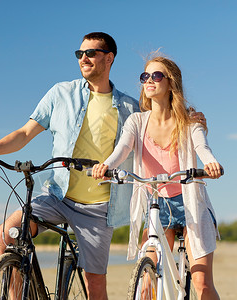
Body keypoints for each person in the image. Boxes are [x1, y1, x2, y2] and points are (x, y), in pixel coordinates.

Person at [0, 32, 139, 300]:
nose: (84, 58)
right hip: (57, 196)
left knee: (95, 283)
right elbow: (25, 133)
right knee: (7, 236)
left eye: (91, 53)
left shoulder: (130, 107)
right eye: (79, 54)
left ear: (109, 58)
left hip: (97, 208)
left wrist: (191, 118)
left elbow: (158, 128)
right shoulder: (61, 93)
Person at [91, 53, 223, 299]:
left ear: (170, 82)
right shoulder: (137, 121)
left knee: (202, 281)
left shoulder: (189, 122)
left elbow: (202, 148)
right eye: (145, 76)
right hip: (156, 204)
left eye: (156, 75)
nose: (149, 80)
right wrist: (105, 166)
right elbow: (122, 149)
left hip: (190, 203)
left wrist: (211, 163)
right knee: (147, 275)